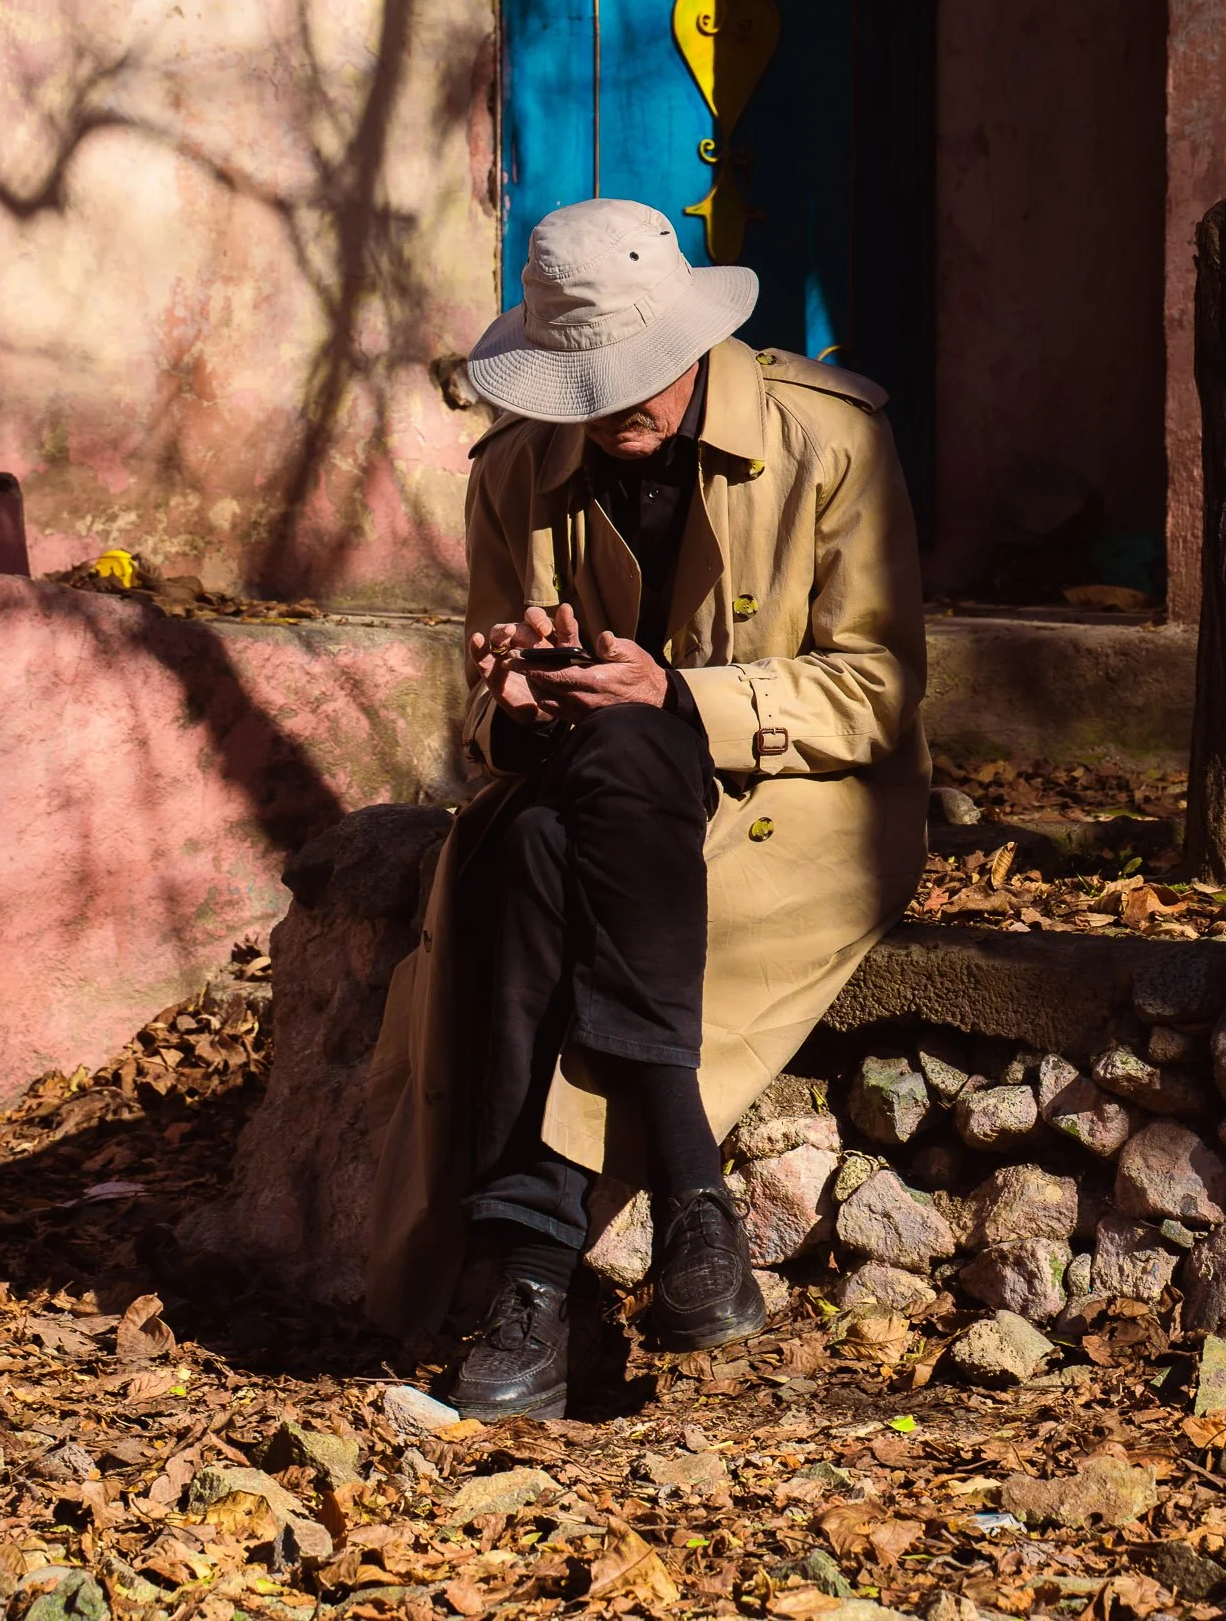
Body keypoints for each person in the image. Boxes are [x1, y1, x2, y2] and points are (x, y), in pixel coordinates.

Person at [363, 197, 929, 1419]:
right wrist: (511, 703)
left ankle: (528, 1273)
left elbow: (878, 691)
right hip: (595, 801)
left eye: (636, 373)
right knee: (547, 822)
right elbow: (489, 717)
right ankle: (690, 1200)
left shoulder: (824, 436)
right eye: (585, 379)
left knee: (555, 831)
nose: (616, 405)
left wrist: (674, 692)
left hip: (797, 799)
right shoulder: (517, 468)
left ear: (686, 335)